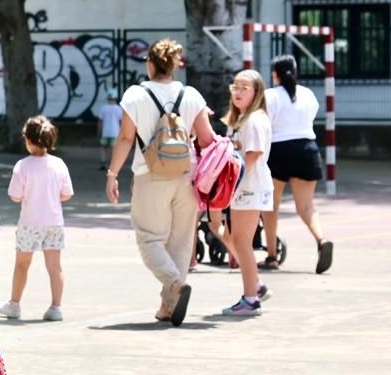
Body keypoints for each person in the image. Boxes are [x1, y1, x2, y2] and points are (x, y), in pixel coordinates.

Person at [105, 38, 217, 326]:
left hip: (150, 175)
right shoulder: (192, 96)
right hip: (187, 176)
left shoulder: (136, 95)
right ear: (176, 66)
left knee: (149, 238)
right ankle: (169, 306)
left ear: (150, 64)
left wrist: (113, 173)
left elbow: (126, 138)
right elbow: (207, 139)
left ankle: (174, 283)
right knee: (180, 242)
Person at [0, 115, 74, 322]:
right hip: (54, 222)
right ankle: (56, 307)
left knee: (22, 264)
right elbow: (67, 194)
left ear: (28, 140)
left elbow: (15, 195)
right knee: (55, 266)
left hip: (30, 223)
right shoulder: (59, 164)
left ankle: (14, 304)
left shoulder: (23, 166)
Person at [263, 54, 333, 274]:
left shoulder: (270, 95)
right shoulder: (308, 94)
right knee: (306, 207)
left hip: (279, 150)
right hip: (307, 149)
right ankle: (322, 240)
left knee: (271, 206)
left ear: (275, 73)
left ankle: (272, 256)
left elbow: (265, 123)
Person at [218, 70, 272, 316]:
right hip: (241, 188)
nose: (238, 92)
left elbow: (252, 155)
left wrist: (232, 182)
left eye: (244, 88)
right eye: (235, 87)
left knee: (241, 242)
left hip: (250, 187)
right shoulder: (238, 119)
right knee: (229, 236)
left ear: (256, 92)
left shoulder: (256, 120)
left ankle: (251, 300)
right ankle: (256, 286)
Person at [96, 90, 122, 170]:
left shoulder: (103, 108)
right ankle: (113, 165)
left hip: (105, 132)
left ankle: (103, 163)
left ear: (108, 98)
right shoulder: (119, 108)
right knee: (113, 149)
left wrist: (99, 132)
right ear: (116, 98)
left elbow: (100, 122)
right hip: (115, 132)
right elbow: (121, 121)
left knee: (103, 148)